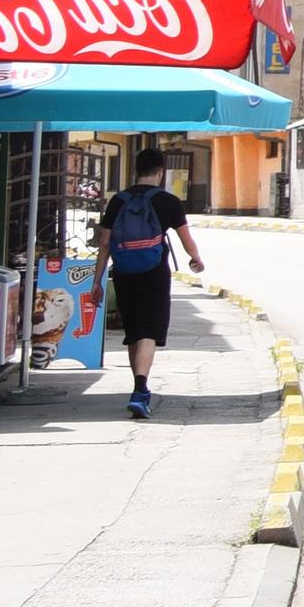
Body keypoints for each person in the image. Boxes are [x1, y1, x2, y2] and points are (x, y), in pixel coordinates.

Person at [102, 149, 205, 420]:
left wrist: (96, 282)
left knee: (134, 330)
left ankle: (137, 385)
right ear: (160, 172)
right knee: (148, 329)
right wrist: (196, 259)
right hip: (154, 273)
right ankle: (140, 388)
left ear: (136, 169)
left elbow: (104, 246)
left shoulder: (118, 201)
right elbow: (186, 239)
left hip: (123, 272)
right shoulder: (168, 201)